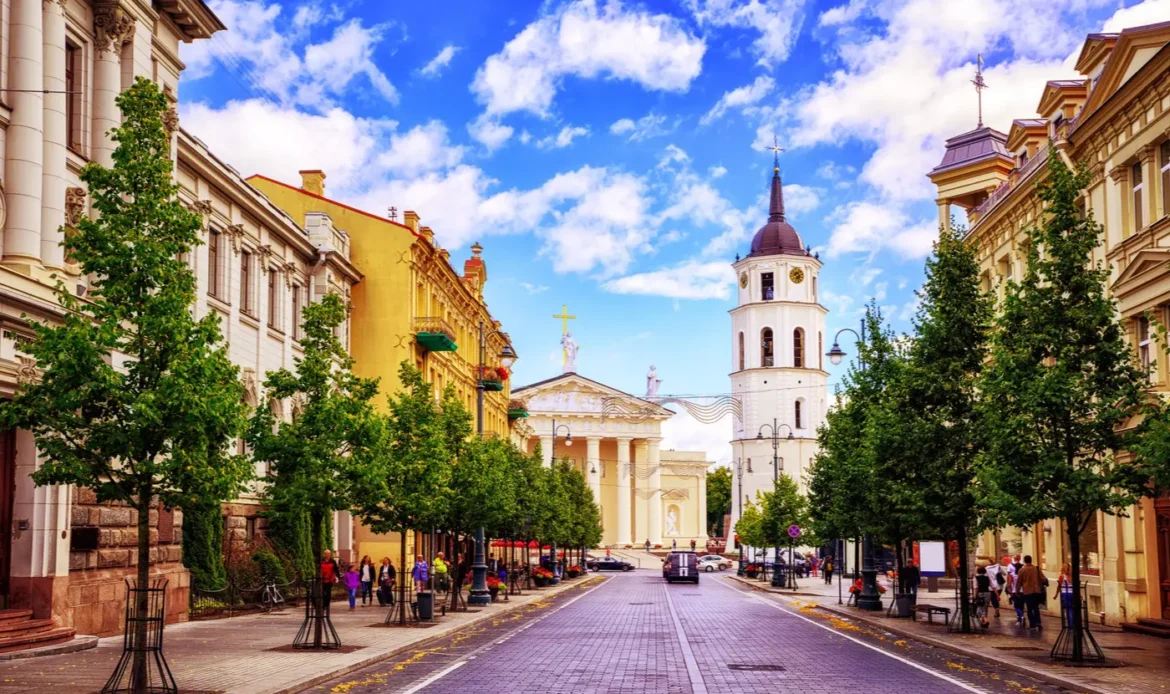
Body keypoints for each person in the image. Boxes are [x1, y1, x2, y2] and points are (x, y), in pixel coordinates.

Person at [1016, 554, 1046, 629]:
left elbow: (1018, 582)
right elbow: (1043, 578)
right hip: (1036, 591)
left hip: (1027, 592)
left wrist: (1017, 591)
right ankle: (1038, 623)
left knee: (1029, 608)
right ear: (1031, 560)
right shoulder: (1036, 569)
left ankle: (1032, 624)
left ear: (1024, 561)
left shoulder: (1022, 570)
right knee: (1036, 607)